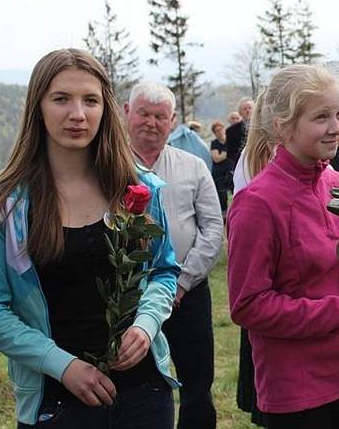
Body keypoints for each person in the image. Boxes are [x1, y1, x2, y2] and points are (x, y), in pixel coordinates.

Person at [0, 49, 180, 427]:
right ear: (37, 107)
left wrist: (146, 323)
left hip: (144, 396)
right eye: (61, 99)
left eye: (90, 100)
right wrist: (62, 365)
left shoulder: (138, 191)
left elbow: (163, 271)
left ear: (105, 109)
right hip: (57, 404)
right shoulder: (3, 209)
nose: (78, 114)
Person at [227, 64, 339, 429]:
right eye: (321, 117)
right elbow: (248, 306)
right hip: (295, 391)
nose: (336, 127)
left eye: (338, 114)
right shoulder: (257, 202)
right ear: (283, 126)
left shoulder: (337, 184)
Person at [125, 82, 224, 429]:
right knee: (139, 385)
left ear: (172, 120)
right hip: (129, 297)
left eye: (160, 116)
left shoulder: (193, 166)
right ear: (126, 113)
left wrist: (180, 284)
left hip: (189, 295)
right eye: (144, 114)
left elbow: (213, 230)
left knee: (198, 385)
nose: (151, 122)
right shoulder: (107, 166)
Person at [209, 120, 233, 218]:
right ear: (215, 133)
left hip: (231, 171)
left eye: (221, 129)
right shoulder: (214, 143)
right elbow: (216, 158)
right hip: (218, 173)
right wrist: (227, 154)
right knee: (222, 196)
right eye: (217, 131)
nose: (220, 132)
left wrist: (222, 154)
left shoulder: (231, 141)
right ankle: (224, 216)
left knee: (236, 192)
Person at [226, 97, 254, 168]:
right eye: (245, 109)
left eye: (250, 108)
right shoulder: (231, 131)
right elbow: (231, 153)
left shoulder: (262, 127)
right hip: (241, 166)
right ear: (240, 113)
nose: (248, 110)